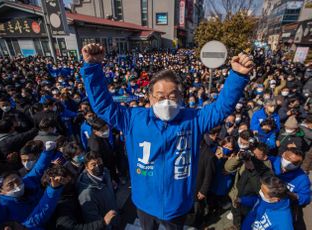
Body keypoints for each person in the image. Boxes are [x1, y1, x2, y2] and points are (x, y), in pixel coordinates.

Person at [80, 43, 253, 229]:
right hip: (144, 202)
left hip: (177, 206)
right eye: (160, 96)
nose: (166, 101)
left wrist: (238, 75)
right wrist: (92, 67)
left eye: (172, 96)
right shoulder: (133, 119)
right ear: (151, 97)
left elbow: (221, 108)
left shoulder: (193, 120)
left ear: (181, 96)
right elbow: (103, 106)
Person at [225, 143, 273, 228]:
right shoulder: (248, 160)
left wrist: (253, 171)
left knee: (244, 224)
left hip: (249, 205)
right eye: (253, 154)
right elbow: (228, 167)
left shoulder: (267, 170)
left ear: (265, 157)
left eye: (257, 155)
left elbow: (260, 190)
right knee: (236, 221)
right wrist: (238, 158)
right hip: (236, 199)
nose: (253, 157)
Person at [76, 151, 118, 226]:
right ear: (87, 167)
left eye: (99, 162)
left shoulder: (105, 171)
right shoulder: (86, 193)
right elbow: (92, 218)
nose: (97, 166)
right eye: (93, 165)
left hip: (114, 215)